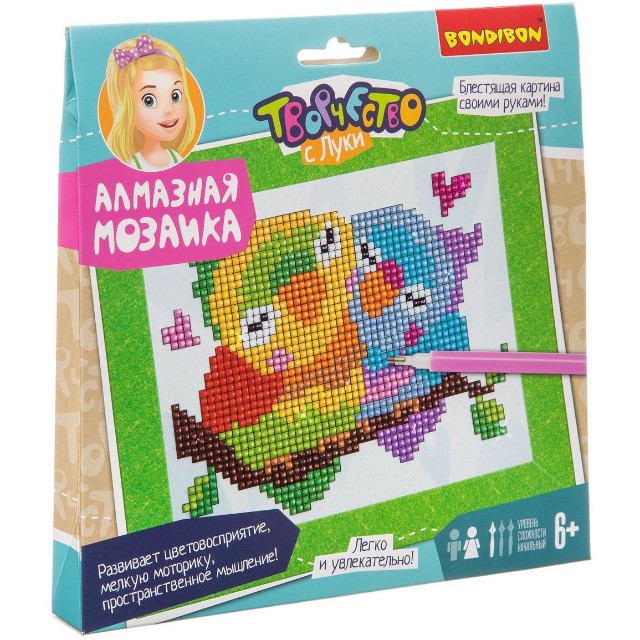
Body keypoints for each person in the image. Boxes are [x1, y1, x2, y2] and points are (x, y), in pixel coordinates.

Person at [105, 34, 196, 171]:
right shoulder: (131, 164)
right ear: (127, 107)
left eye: (175, 96)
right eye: (149, 100)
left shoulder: (175, 157)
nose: (169, 109)